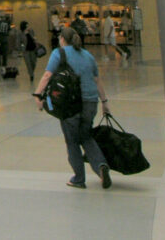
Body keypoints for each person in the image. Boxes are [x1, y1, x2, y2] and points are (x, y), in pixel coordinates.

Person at [34, 25, 112, 190]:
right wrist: (105, 102)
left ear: (62, 39)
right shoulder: (88, 55)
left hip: (70, 104)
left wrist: (38, 95)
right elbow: (97, 80)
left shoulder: (59, 53)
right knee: (86, 136)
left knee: (72, 141)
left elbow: (47, 75)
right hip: (90, 102)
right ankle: (101, 166)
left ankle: (78, 178)